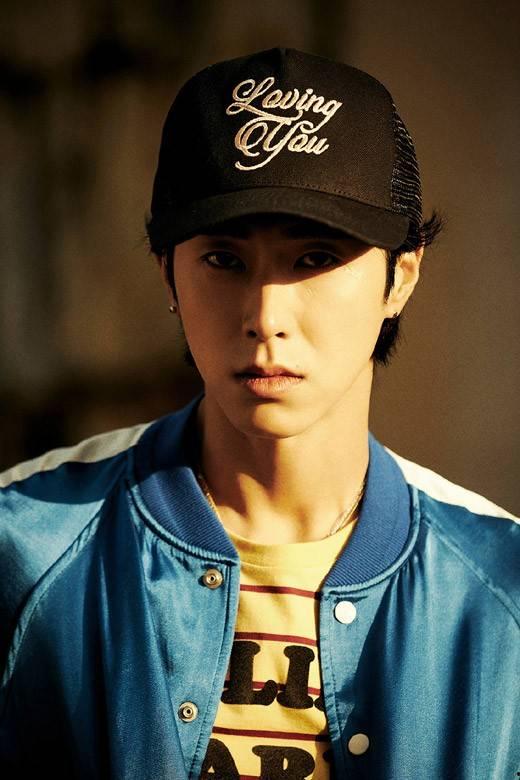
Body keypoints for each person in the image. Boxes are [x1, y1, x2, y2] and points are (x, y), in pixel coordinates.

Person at [0, 47, 518, 780]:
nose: (266, 316)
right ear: (167, 274)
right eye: (224, 260)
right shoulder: (26, 546)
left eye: (315, 258)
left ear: (400, 277)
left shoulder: (500, 587)